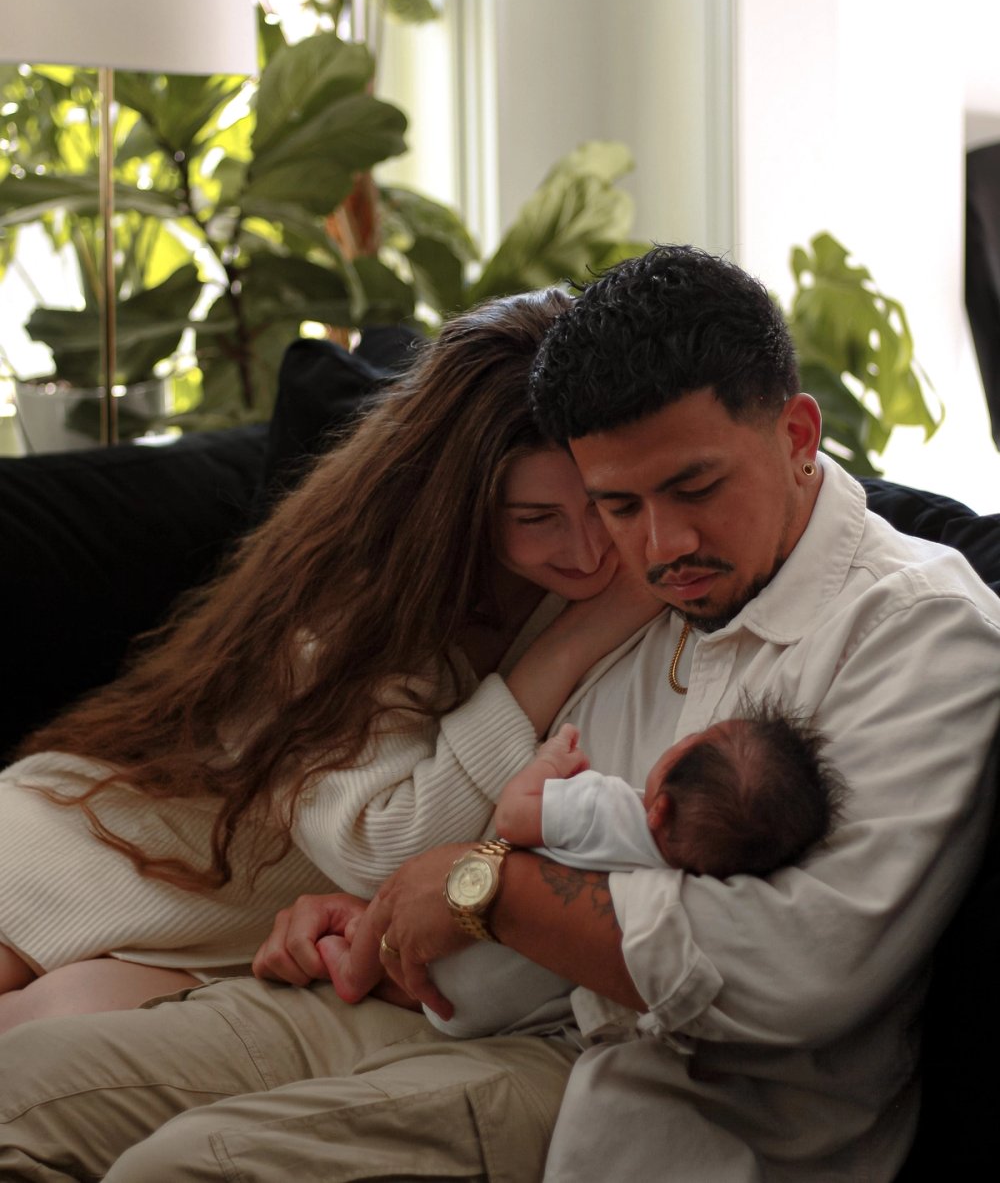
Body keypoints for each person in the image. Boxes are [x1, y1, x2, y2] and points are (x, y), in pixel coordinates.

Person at [1, 245, 998, 1183]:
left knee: (179, 1170)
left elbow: (795, 967)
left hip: (671, 1092)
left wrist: (487, 894)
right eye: (618, 504)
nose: (658, 542)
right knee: (21, 1097)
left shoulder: (917, 634)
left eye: (694, 486)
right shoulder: (649, 596)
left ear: (794, 435)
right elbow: (506, 845)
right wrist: (384, 921)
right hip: (466, 1004)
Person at [0, 289, 658, 1033]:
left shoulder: (610, 572)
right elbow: (382, 846)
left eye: (604, 505)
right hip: (117, 836)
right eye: (537, 519)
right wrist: (578, 636)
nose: (589, 550)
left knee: (45, 1048)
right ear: (461, 505)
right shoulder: (360, 596)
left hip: (234, 926)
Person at [323, 703, 846, 1040]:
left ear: (658, 809)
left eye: (693, 742)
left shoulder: (607, 806)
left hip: (446, 949)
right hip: (491, 1017)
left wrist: (550, 763)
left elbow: (513, 818)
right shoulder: (680, 887)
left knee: (389, 909)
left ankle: (349, 970)